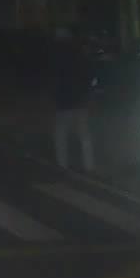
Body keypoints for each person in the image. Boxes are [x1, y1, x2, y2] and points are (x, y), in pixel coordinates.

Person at [51, 29, 97, 173]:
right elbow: (89, 77)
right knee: (84, 134)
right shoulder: (79, 55)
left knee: (61, 134)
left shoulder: (56, 58)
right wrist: (88, 94)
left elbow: (54, 80)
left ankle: (62, 164)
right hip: (79, 100)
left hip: (64, 101)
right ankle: (89, 165)